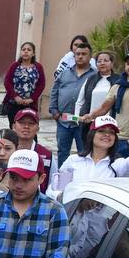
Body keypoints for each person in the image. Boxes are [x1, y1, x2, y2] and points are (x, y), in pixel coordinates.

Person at [50, 115, 129, 198]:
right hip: (71, 214)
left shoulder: (117, 163)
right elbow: (56, 188)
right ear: (91, 135)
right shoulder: (73, 160)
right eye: (101, 131)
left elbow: (127, 166)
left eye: (111, 132)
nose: (107, 135)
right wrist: (66, 199)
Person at [49, 41, 94, 170]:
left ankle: (81, 177)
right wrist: (54, 111)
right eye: (77, 54)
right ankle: (61, 178)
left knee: (84, 152)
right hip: (63, 121)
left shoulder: (94, 75)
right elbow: (54, 91)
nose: (80, 56)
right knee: (62, 151)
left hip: (83, 123)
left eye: (84, 54)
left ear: (90, 56)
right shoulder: (65, 72)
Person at [1, 42, 45, 120]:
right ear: (20, 52)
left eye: (29, 50)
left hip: (30, 104)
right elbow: (7, 82)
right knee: (14, 127)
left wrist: (32, 99)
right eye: (23, 49)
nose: (26, 51)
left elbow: (41, 85)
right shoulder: (14, 66)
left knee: (29, 127)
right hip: (14, 104)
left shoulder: (38, 67)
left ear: (33, 53)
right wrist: (15, 97)